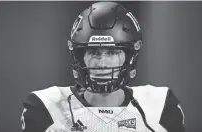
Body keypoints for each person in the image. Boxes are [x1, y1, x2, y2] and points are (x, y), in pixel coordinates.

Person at [21, 2, 185, 132]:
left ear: (129, 56)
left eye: (112, 53)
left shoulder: (160, 107)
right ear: (80, 57)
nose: (102, 63)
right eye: (94, 52)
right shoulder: (46, 108)